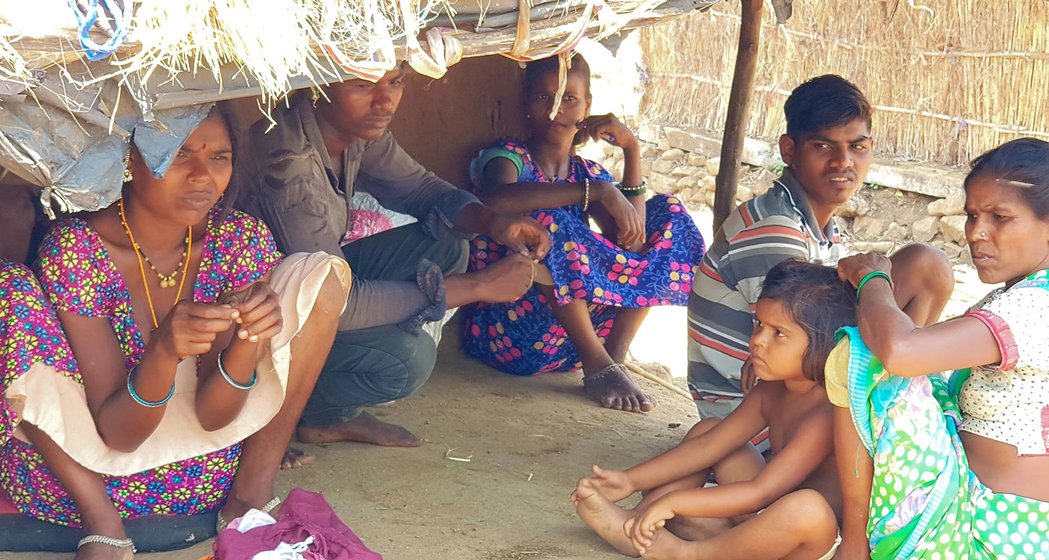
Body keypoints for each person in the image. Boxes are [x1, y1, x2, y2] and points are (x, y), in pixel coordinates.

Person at [0, 106, 350, 559]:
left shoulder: (239, 240)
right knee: (6, 286)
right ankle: (104, 529)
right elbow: (116, 434)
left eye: (219, 158)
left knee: (321, 274)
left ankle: (248, 497)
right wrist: (163, 353)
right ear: (130, 159)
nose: (202, 176)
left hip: (199, 475)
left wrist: (248, 340)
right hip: (77, 482)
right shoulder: (77, 248)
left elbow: (213, 416)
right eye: (179, 154)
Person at [237, 64, 552, 447]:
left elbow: (421, 190)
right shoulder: (289, 167)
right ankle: (286, 413)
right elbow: (337, 303)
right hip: (255, 324)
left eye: (396, 83)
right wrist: (475, 287)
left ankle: (324, 416)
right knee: (408, 359)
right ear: (317, 86)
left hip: (308, 287)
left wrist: (492, 220)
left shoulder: (351, 131)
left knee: (448, 244)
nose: (385, 101)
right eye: (363, 85)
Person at [686, 74, 953, 422]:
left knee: (924, 267)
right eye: (823, 146)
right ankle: (887, 407)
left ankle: (894, 394)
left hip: (781, 398)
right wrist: (875, 284)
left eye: (857, 146)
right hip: (750, 417)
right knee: (922, 266)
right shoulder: (775, 227)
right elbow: (804, 345)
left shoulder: (820, 226)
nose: (843, 161)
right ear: (789, 151)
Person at [830, 138, 1049, 559]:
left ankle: (853, 546)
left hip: (1000, 529)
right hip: (981, 502)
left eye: (999, 217)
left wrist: (873, 280)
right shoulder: (1020, 293)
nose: (976, 232)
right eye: (971, 215)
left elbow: (900, 350)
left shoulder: (1036, 304)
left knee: (860, 356)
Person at [464, 53, 705, 413]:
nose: (555, 110)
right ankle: (599, 365)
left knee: (669, 214)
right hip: (510, 333)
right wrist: (596, 193)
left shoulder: (588, 174)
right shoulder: (508, 156)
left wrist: (632, 150)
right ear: (526, 102)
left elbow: (634, 241)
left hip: (572, 340)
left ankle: (613, 359)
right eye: (544, 97)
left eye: (569, 99)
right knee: (548, 219)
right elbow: (497, 199)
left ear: (587, 106)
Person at [573, 260, 854, 559]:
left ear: (824, 347)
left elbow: (762, 491)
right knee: (709, 431)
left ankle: (687, 553)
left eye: (778, 333)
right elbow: (710, 446)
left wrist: (675, 503)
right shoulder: (773, 389)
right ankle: (639, 527)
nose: (758, 340)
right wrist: (630, 480)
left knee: (807, 508)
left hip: (812, 541)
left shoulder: (828, 411)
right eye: (759, 324)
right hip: (764, 516)